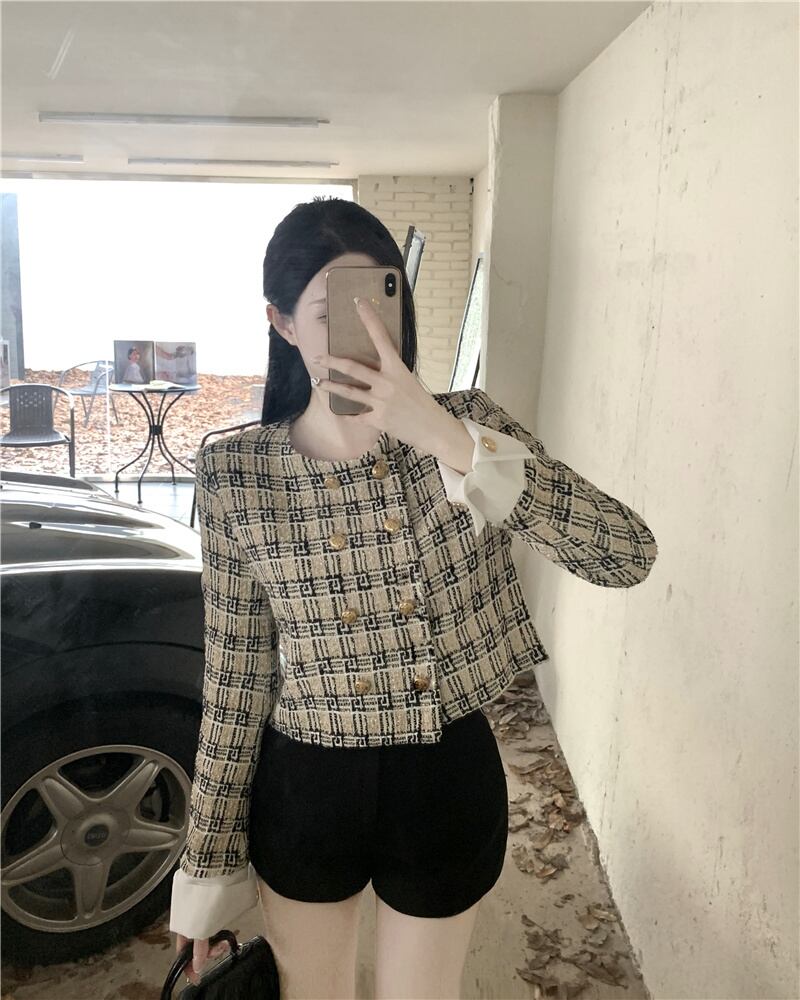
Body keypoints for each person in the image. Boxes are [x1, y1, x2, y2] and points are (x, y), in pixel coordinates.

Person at [169, 197, 659, 997]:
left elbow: (624, 554)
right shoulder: (236, 473)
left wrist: (446, 438)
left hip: (444, 777)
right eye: (333, 311)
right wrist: (208, 864)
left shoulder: (467, 432)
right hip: (307, 785)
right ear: (282, 323)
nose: (370, 329)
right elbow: (235, 678)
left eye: (383, 299)